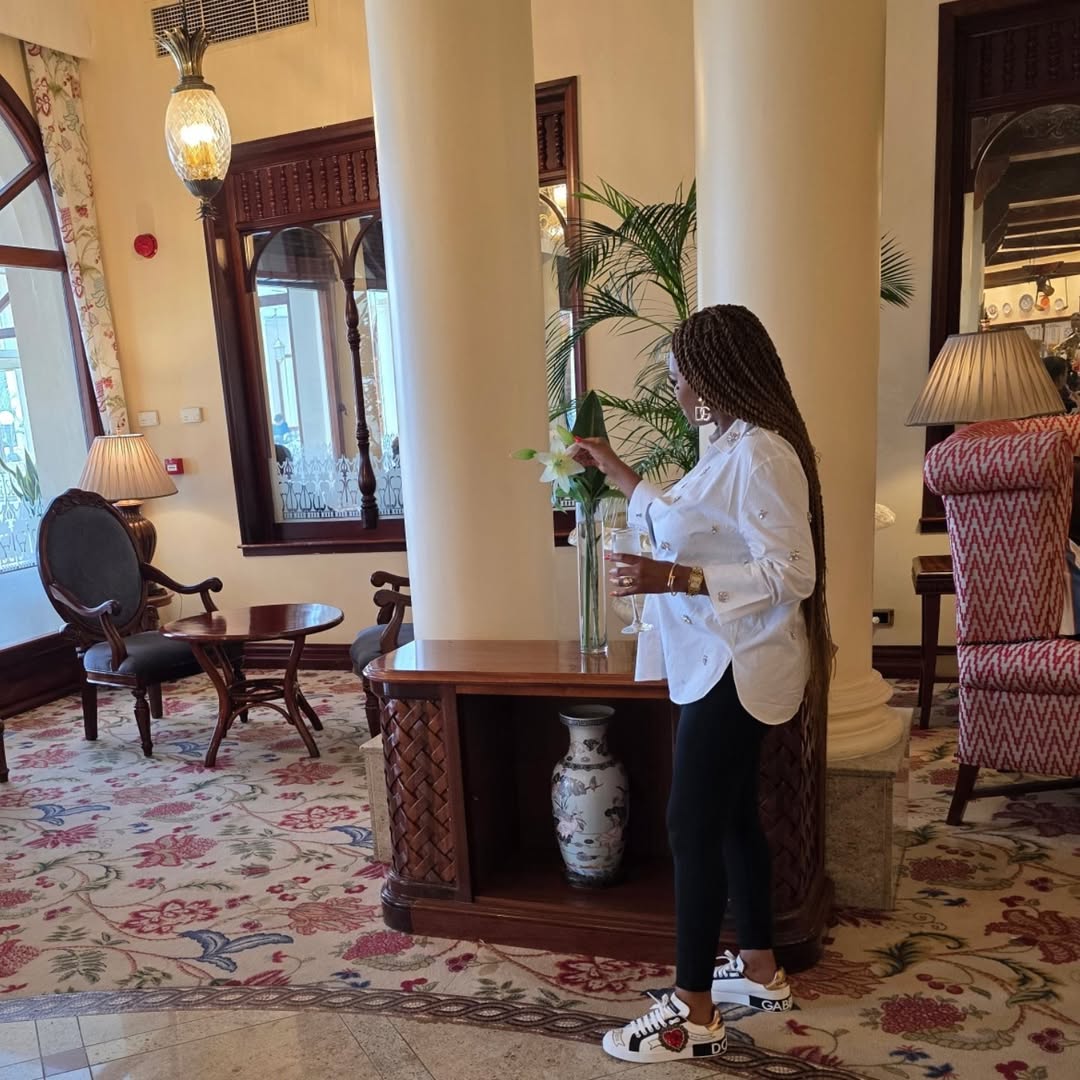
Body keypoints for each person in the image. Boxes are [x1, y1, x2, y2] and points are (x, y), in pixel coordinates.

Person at [569, 304, 831, 1066]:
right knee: (732, 816)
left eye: (680, 377)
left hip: (737, 663)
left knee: (689, 824)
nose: (677, 390)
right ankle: (761, 971)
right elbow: (682, 514)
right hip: (717, 658)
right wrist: (616, 471)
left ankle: (692, 1014)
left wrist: (675, 578)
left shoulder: (764, 454)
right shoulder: (730, 446)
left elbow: (794, 572)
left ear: (714, 377)